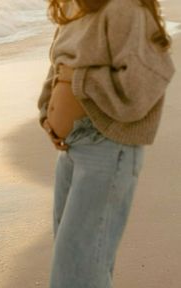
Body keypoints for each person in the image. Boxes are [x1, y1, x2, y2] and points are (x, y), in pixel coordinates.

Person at [37, 0, 175, 287]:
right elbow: (58, 67)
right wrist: (47, 115)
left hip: (107, 147)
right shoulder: (74, 8)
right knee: (76, 269)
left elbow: (147, 80)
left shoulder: (123, 8)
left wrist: (81, 81)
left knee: (76, 274)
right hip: (72, 146)